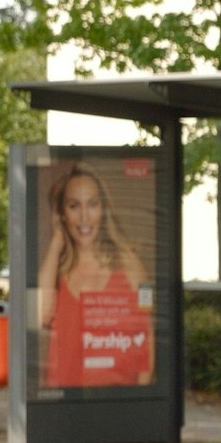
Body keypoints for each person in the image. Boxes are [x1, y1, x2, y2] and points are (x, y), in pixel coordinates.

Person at [38, 163, 154, 388]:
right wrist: (55, 243)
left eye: (92, 204)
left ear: (103, 209)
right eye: (74, 206)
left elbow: (146, 339)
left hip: (116, 401)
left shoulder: (129, 263)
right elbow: (41, 316)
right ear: (61, 214)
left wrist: (138, 402)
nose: (84, 217)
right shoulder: (56, 269)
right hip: (64, 404)